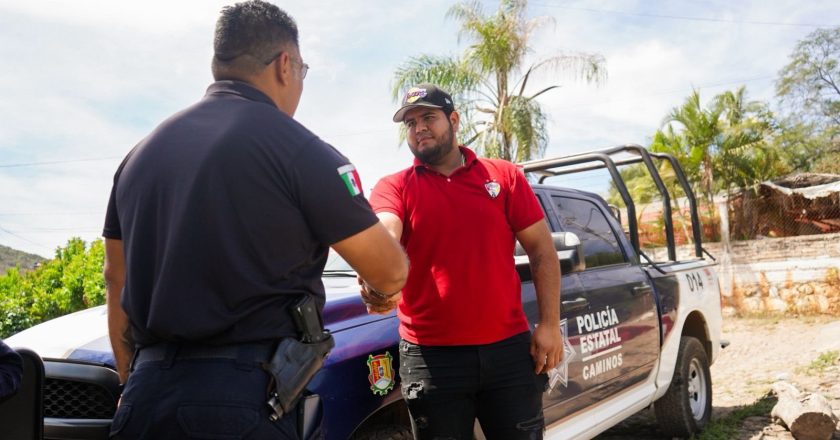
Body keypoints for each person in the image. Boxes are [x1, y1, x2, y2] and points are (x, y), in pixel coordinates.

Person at [102, 2, 408, 439]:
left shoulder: (139, 157)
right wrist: (380, 292)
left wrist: (132, 381)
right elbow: (389, 268)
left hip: (144, 399)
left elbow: (117, 276)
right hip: (245, 400)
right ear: (286, 65)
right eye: (304, 70)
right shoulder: (298, 150)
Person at [364, 84, 563, 439]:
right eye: (410, 123)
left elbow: (542, 251)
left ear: (453, 120)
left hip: (509, 353)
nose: (419, 127)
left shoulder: (503, 176)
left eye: (428, 117)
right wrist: (377, 269)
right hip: (430, 359)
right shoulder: (395, 186)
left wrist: (549, 324)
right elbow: (385, 230)